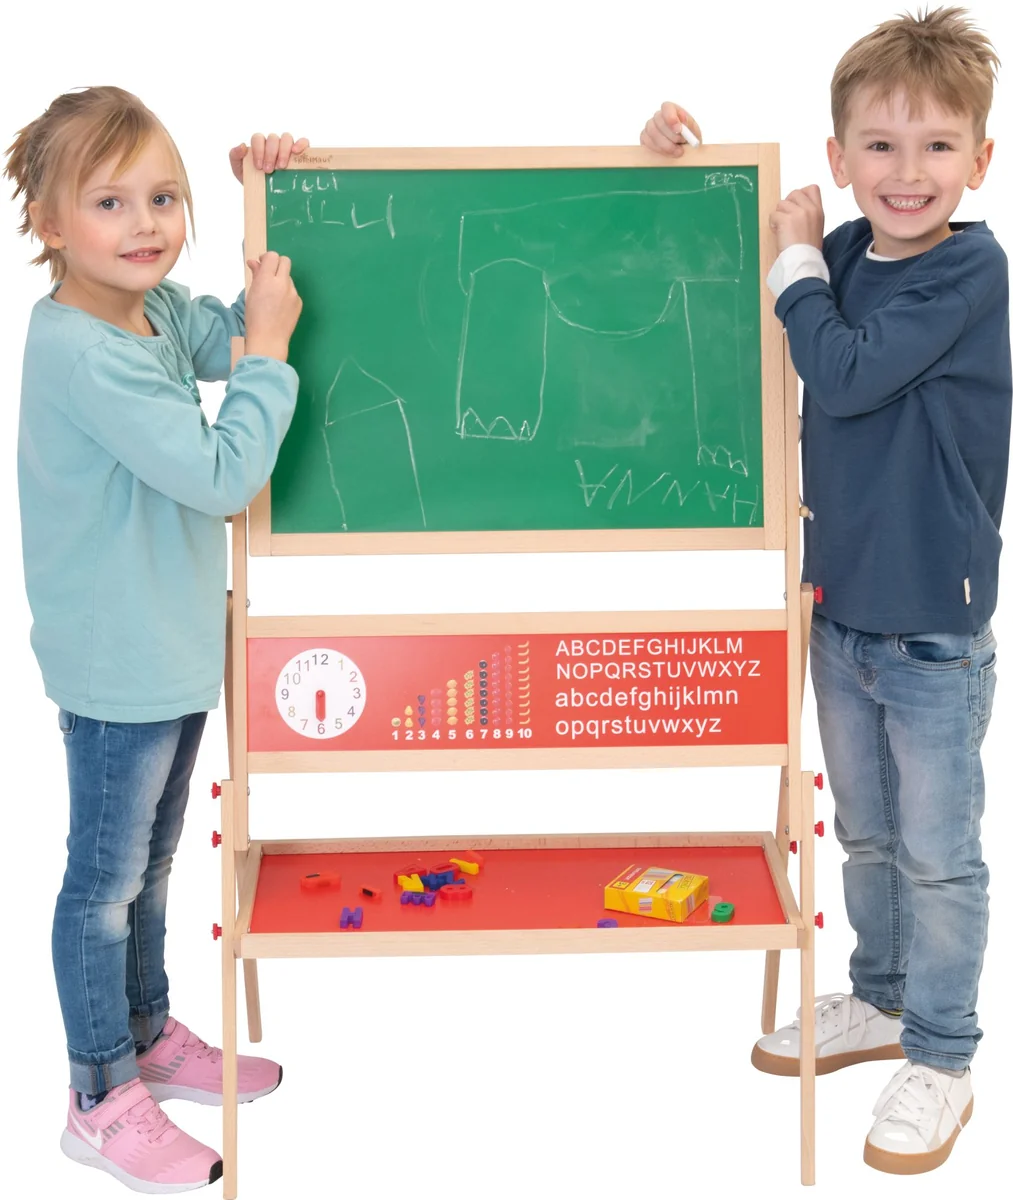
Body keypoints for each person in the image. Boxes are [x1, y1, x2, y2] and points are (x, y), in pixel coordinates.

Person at [639, 5, 1009, 1175]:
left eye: (935, 146)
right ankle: (881, 996)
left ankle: (940, 1055)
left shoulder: (968, 272)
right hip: (838, 610)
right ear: (838, 155)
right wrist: (671, 159)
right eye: (879, 145)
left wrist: (796, 261)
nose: (906, 172)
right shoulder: (840, 253)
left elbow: (841, 371)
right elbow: (746, 252)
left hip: (930, 626)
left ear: (978, 160)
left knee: (935, 852)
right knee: (861, 831)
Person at [6, 88, 307, 1192]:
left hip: (170, 644)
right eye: (109, 203)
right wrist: (266, 352)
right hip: (117, 661)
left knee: (151, 865)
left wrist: (267, 204)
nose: (144, 223)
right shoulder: (87, 353)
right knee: (103, 884)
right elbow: (224, 474)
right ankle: (97, 1095)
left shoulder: (151, 312)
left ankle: (144, 1033)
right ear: (49, 224)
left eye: (163, 198)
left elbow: (231, 332)